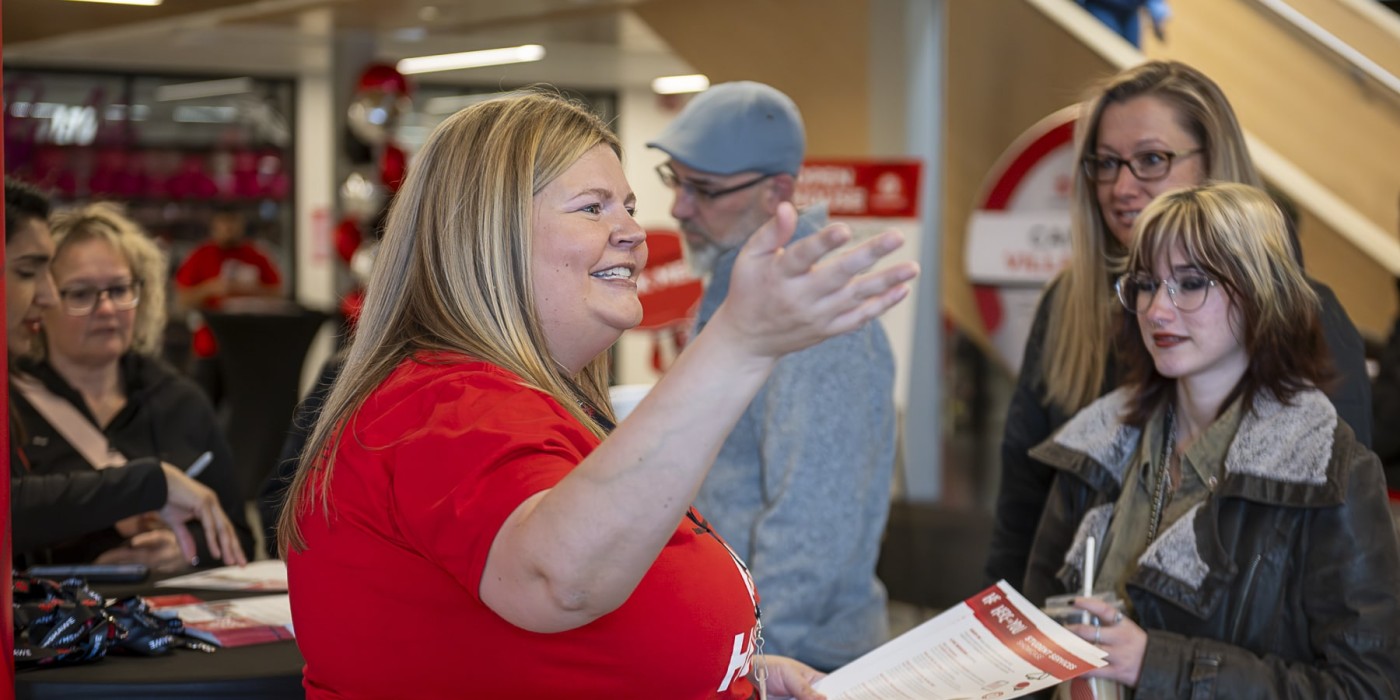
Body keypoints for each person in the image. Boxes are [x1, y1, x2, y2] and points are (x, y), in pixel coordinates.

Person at [278, 91, 916, 699]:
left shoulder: (520, 401)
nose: (636, 232)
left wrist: (733, 670)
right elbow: (559, 579)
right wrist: (740, 345)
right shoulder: (439, 406)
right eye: (593, 208)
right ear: (487, 234)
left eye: (630, 206)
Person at [986, 60, 1372, 590]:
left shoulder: (1307, 314)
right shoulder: (1068, 303)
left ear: (1214, 166)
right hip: (1078, 642)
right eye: (1106, 163)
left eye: (1151, 160)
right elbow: (1022, 506)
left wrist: (1167, 665)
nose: (1122, 186)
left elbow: (1340, 531)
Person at [1023, 182, 1400, 697]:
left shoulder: (1329, 472)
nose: (1157, 311)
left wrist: (1156, 664)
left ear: (1259, 293)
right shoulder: (1096, 448)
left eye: (1191, 282)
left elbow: (1368, 688)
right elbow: (1035, 640)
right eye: (1146, 284)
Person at [646, 81, 898, 671]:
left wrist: (743, 661)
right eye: (675, 181)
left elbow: (815, 527)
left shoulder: (818, 313)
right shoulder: (738, 288)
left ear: (777, 191)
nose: (680, 207)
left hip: (799, 661)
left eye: (703, 189)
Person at [5, 178, 245, 569]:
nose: (107, 309)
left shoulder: (180, 401)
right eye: (81, 294)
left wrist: (188, 551)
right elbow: (14, 516)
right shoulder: (12, 400)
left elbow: (239, 535)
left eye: (119, 289)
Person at [173, 202, 282, 402]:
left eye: (233, 223)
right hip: (209, 347)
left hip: (247, 347)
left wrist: (251, 290)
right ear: (214, 225)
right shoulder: (200, 256)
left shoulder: (255, 255)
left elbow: (277, 293)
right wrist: (211, 288)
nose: (229, 228)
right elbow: (182, 299)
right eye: (224, 223)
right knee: (204, 402)